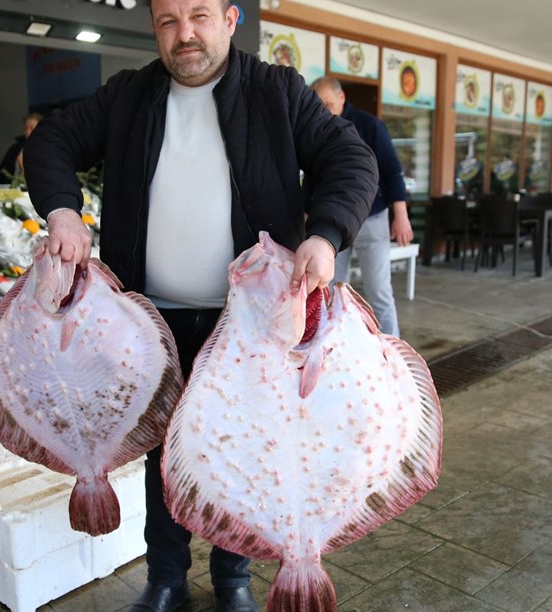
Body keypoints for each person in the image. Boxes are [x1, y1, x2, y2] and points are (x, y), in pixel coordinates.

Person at [23, 0, 378, 610]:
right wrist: (61, 209)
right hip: (148, 321)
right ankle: (165, 578)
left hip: (246, 325)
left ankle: (232, 577)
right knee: (165, 455)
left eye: (198, 16)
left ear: (231, 18)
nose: (183, 34)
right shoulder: (128, 96)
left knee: (237, 447)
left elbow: (350, 159)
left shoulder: (276, 90)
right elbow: (51, 140)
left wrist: (324, 234)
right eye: (167, 20)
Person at [310, 76, 412, 337]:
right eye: (318, 104)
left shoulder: (369, 125)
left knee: (378, 290)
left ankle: (392, 353)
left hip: (372, 217)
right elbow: (311, 177)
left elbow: (392, 171)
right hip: (331, 220)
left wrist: (401, 216)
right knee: (329, 289)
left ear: (342, 97)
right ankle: (331, 350)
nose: (324, 109)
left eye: (328, 103)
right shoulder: (315, 128)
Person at [0, 112, 44, 179]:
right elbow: (3, 171)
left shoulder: (48, 150)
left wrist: (22, 167)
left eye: (32, 128)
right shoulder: (15, 149)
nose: (28, 132)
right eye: (26, 128)